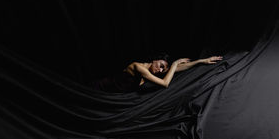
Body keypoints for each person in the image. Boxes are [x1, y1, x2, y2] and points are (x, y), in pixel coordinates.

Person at [89, 53, 223, 93]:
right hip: (100, 87)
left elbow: (177, 69)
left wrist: (201, 60)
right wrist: (175, 63)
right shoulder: (138, 67)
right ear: (154, 60)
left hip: (112, 94)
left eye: (162, 69)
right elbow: (165, 83)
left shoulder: (153, 70)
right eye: (160, 66)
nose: (160, 70)